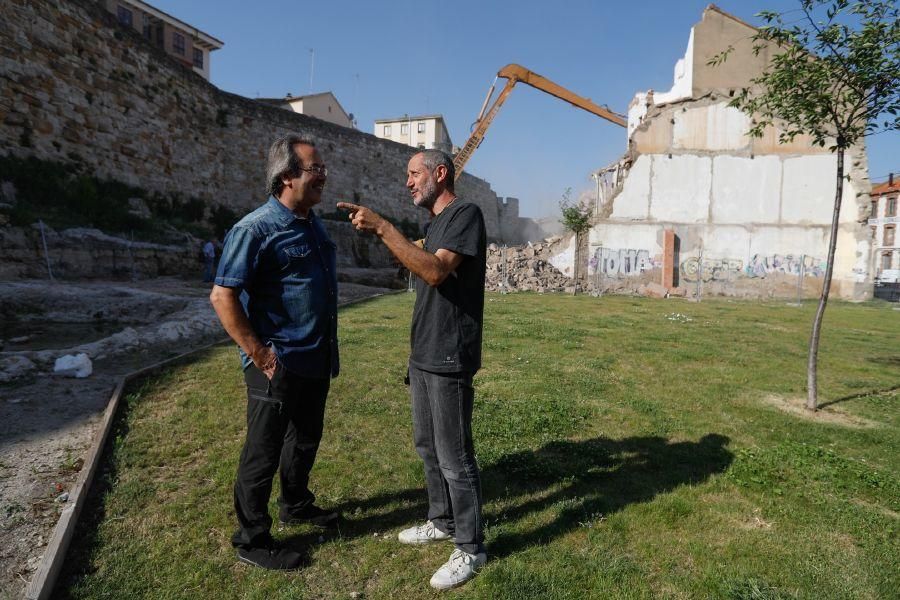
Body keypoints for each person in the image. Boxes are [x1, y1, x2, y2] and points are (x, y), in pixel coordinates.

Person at [337, 149, 487, 590]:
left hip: (448, 353)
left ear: (440, 174)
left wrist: (384, 227)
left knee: (455, 457)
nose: (407, 182)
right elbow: (419, 265)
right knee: (427, 447)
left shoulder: (466, 214)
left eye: (414, 173)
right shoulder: (432, 224)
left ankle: (471, 546)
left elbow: (437, 272)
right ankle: (441, 521)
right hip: (422, 352)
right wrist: (394, 238)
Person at [209, 135, 339, 571]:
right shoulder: (255, 228)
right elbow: (222, 297)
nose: (323, 175)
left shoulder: (311, 222)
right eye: (314, 169)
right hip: (276, 363)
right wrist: (260, 355)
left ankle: (296, 503)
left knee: (304, 439)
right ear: (286, 177)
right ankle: (251, 538)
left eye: (321, 168)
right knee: (262, 452)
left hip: (315, 358)